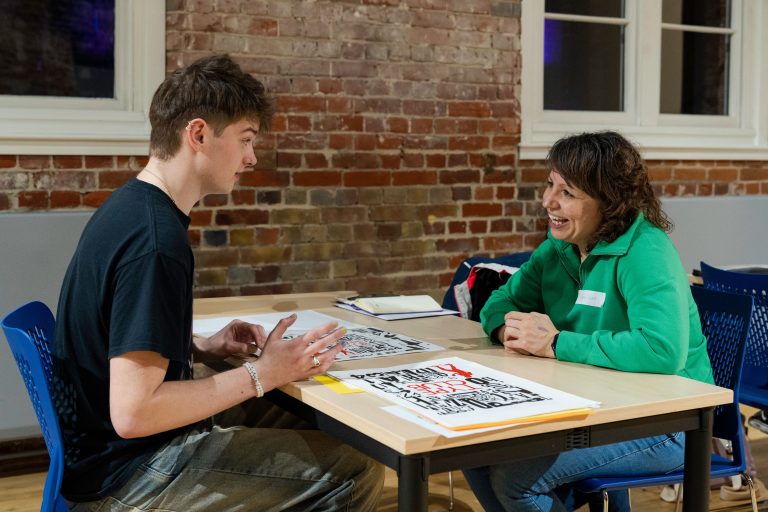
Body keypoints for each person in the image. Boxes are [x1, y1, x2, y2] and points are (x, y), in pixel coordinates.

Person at [53, 54, 384, 511]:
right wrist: (262, 373)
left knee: (300, 418)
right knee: (356, 470)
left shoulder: (130, 207)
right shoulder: (156, 243)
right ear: (199, 134)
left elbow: (116, 337)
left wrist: (201, 347)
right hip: (125, 478)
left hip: (103, 456)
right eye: (246, 140)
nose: (251, 158)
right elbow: (133, 413)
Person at [463, 130, 714, 512]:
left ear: (609, 201)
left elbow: (661, 349)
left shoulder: (646, 250)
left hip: (669, 424)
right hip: (595, 406)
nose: (548, 201)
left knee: (515, 480)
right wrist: (508, 330)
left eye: (568, 193)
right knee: (473, 450)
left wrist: (555, 343)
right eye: (550, 186)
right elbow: (500, 301)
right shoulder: (559, 247)